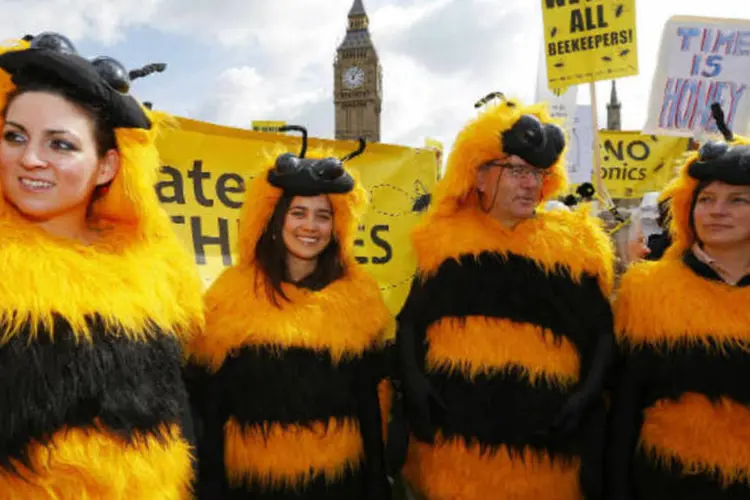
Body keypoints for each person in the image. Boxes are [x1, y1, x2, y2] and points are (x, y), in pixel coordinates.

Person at [0, 33, 204, 498]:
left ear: (108, 166)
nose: (30, 158)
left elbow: (176, 415)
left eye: (61, 144)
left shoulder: (154, 270)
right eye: (15, 136)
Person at [391, 97, 615, 499]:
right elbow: (411, 320)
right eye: (516, 171)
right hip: (457, 454)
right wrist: (414, 384)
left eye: (538, 173)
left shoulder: (575, 248)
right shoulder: (445, 243)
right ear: (478, 175)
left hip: (544, 455)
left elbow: (601, 332)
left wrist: (585, 397)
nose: (532, 184)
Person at [186, 127, 393, 499]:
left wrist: (376, 484)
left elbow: (369, 404)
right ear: (276, 220)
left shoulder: (358, 299)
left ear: (337, 227)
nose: (310, 227)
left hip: (338, 488)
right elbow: (209, 407)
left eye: (322, 216)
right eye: (298, 212)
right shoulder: (231, 297)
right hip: (248, 489)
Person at [608, 115, 750, 498]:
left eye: (737, 200)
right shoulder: (649, 290)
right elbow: (623, 408)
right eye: (706, 199)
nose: (717, 210)